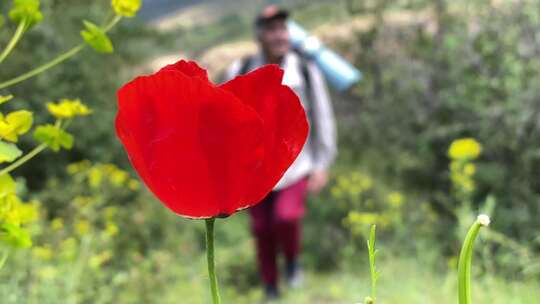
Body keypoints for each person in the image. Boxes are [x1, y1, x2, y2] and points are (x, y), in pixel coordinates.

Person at [224, 5, 337, 300]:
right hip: (254, 170)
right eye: (272, 30)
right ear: (259, 36)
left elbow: (322, 116)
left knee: (286, 218)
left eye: (283, 29)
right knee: (261, 229)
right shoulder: (241, 69)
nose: (279, 36)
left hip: (296, 164)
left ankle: (293, 261)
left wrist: (322, 164)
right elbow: (226, 122)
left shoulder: (306, 70)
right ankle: (271, 287)